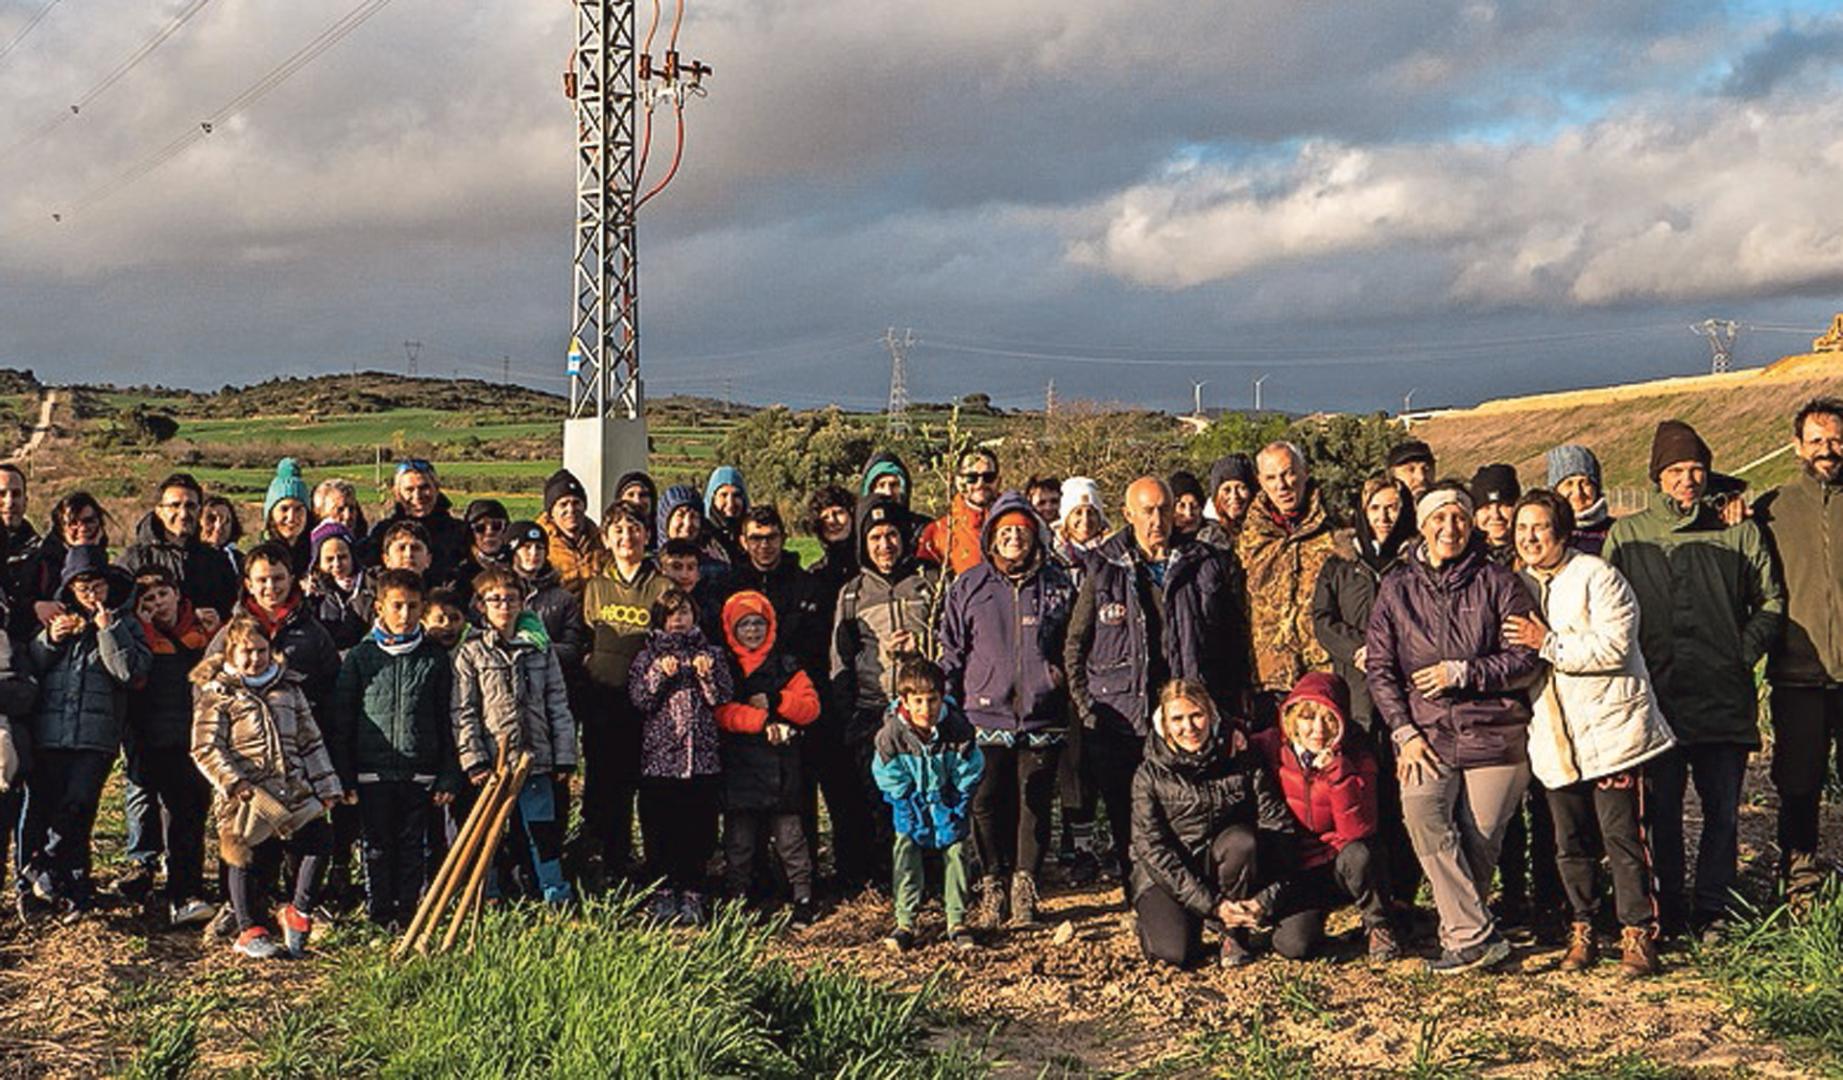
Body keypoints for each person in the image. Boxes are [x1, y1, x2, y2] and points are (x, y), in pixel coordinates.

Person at [1603, 420, 1782, 938]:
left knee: (1722, 810)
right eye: (1677, 470)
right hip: (1654, 697)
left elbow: (1770, 602)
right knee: (1661, 812)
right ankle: (1669, 907)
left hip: (1722, 693)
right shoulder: (1628, 534)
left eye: (1697, 469)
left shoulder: (1739, 530)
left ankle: (1715, 907)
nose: (1688, 479)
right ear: (1658, 476)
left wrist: (1740, 653)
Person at [1366, 483, 1541, 974]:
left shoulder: (1499, 583)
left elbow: (1526, 659)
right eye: (1438, 518)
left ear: (1472, 524)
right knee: (1423, 813)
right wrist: (1404, 731)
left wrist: (1463, 673)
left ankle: (1462, 939)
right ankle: (1476, 937)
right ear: (1421, 525)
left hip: (1496, 733)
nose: (1450, 528)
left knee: (1478, 839)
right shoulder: (1397, 588)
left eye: (1459, 518)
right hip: (1428, 734)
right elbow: (1380, 668)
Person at [1504, 490, 1673, 976]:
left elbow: (1615, 648)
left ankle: (1638, 932)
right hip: (1555, 737)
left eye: (1539, 527)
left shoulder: (1597, 577)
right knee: (1569, 841)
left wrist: (1548, 643)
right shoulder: (1516, 586)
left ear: (1561, 529)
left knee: (1623, 838)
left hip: (1612, 733)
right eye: (1522, 529)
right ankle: (1583, 927)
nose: (1530, 537)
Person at [1067, 477, 1246, 889]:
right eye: (1147, 511)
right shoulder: (1104, 566)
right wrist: (1086, 707)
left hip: (1188, 716)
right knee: (1127, 814)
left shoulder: (1205, 562)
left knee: (1191, 811)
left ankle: (1195, 894)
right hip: (1122, 718)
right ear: (1128, 514)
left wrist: (1230, 707)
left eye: (1164, 509)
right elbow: (1076, 643)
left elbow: (1230, 640)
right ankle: (1141, 895)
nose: (1157, 520)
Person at [940, 492, 1074, 929]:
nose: (1014, 537)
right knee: (985, 800)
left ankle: (1025, 888)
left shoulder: (1058, 585)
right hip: (983, 713)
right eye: (1005, 531)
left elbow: (1074, 645)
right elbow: (953, 649)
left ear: (1035, 535)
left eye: (1022, 529)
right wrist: (948, 703)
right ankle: (993, 882)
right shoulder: (970, 585)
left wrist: (1059, 683)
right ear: (991, 539)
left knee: (1034, 803)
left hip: (1043, 711)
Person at [190, 615, 343, 959]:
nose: (254, 658)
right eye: (246, 652)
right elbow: (205, 747)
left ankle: (298, 910)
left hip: (293, 787)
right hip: (247, 793)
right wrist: (234, 782)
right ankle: (248, 928)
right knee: (242, 855)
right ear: (231, 652)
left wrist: (326, 784)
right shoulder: (218, 694)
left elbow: (310, 741)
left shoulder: (288, 689)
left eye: (261, 651)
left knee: (318, 840)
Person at [18, 546, 150, 919]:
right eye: (81, 587)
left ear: (108, 586)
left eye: (96, 585)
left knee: (79, 806)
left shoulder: (125, 622)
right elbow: (32, 666)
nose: (90, 593)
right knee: (57, 809)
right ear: (70, 590)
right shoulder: (58, 621)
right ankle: (74, 890)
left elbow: (129, 672)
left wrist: (109, 631)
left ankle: (42, 864)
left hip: (97, 737)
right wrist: (50, 640)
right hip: (52, 732)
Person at [1130, 678, 1293, 969]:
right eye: (1177, 719)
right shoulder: (1148, 774)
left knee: (1244, 842)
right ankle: (1185, 918)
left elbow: (1277, 825)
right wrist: (1210, 905)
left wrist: (1268, 899)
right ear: (1164, 724)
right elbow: (1151, 848)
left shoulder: (1242, 756)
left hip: (1226, 865)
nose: (1189, 727)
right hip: (1170, 873)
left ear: (1212, 715)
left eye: (1197, 715)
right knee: (1174, 954)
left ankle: (1234, 931)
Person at [329, 568, 460, 927]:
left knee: (413, 846)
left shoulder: (434, 658)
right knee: (375, 846)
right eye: (397, 606)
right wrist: (345, 776)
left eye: (413, 607)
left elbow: (449, 719)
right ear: (379, 608)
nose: (405, 615)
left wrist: (449, 774)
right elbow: (342, 722)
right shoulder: (360, 657)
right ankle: (379, 914)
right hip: (371, 771)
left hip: (420, 770)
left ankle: (409, 914)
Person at [1310, 476, 1420, 899]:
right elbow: (1322, 620)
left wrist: (1387, 651)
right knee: (1362, 795)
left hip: (1403, 695)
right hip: (1354, 697)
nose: (1383, 517)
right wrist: (1360, 648)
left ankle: (1406, 894)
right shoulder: (1339, 563)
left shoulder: (1414, 562)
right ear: (1362, 510)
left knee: (1401, 798)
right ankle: (1369, 896)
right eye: (1375, 508)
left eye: (1392, 507)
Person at [1752, 398, 1843, 909]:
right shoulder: (1774, 508)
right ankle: (1801, 881)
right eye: (1817, 440)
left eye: (1835, 439)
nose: (1827, 450)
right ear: (1797, 447)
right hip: (1797, 675)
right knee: (1798, 782)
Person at [830, 495, 941, 893]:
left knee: (927, 797)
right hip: (874, 714)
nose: (885, 545)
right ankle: (890, 879)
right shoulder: (851, 594)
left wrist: (921, 648)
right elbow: (839, 661)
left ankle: (931, 878)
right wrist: (850, 716)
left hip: (924, 715)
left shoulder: (928, 583)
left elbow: (952, 645)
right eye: (875, 537)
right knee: (882, 803)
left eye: (891, 534)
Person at [452, 566, 578, 907]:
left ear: (523, 603)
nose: (504, 606)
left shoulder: (539, 649)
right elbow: (464, 711)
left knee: (543, 833)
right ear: (481, 605)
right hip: (492, 764)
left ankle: (555, 895)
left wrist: (565, 754)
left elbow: (557, 702)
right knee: (487, 834)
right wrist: (474, 758)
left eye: (511, 599)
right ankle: (486, 893)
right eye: (495, 600)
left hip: (534, 758)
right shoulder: (471, 652)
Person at [1253, 673, 1396, 961]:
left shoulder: (1358, 756)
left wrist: (1338, 774)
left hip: (1343, 861)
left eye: (1328, 719)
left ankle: (1378, 923)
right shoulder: (1269, 747)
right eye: (1308, 718)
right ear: (1292, 717)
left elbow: (1357, 829)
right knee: (1293, 946)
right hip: (1298, 868)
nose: (1318, 729)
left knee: (1361, 854)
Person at [714, 590, 820, 924]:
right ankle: (737, 895)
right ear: (732, 628)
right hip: (740, 764)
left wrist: (776, 701)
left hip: (781, 765)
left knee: (790, 836)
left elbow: (811, 708)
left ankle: (802, 894)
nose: (752, 631)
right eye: (744, 625)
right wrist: (761, 721)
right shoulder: (724, 667)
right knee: (739, 840)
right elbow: (720, 712)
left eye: (759, 623)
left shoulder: (787, 664)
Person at [579, 504, 671, 882]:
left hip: (649, 711)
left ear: (647, 535)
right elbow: (585, 641)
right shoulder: (595, 588)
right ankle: (610, 865)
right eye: (617, 530)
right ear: (606, 538)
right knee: (606, 791)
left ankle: (656, 868)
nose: (626, 537)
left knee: (650, 792)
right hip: (604, 707)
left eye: (633, 529)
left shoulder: (662, 587)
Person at [627, 588, 730, 923]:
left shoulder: (711, 653)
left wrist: (706, 676)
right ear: (660, 620)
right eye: (672, 614)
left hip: (701, 761)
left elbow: (723, 699)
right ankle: (662, 891)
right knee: (660, 829)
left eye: (685, 613)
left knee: (698, 829)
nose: (679, 620)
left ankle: (693, 892)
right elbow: (639, 700)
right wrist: (659, 675)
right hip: (661, 761)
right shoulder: (646, 656)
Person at [122, 567, 215, 926]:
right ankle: (165, 882)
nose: (158, 604)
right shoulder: (141, 637)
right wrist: (142, 628)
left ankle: (185, 888)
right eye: (148, 600)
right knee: (162, 809)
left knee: (191, 812)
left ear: (177, 594)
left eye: (162, 594)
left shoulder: (202, 633)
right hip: (153, 736)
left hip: (197, 736)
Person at [873, 657, 984, 952]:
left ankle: (957, 920)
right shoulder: (891, 736)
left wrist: (958, 804)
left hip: (947, 798)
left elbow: (969, 770)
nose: (926, 709)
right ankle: (905, 922)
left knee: (958, 850)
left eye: (932, 700)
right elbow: (888, 776)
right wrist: (908, 806)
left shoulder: (958, 729)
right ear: (905, 701)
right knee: (905, 849)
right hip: (912, 800)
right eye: (918, 701)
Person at [1240, 441, 1337, 724]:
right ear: (1260, 482)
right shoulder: (1248, 537)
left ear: (1305, 473)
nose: (1281, 485)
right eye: (1271, 478)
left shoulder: (1335, 530)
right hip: (1268, 678)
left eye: (1288, 473)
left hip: (1321, 671)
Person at [118, 472, 238, 624]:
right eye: (174, 505)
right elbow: (120, 611)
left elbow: (232, 611)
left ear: (199, 510)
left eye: (190, 506)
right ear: (159, 511)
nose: (183, 514)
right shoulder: (134, 559)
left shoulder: (216, 560)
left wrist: (217, 619)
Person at [504, 521, 591, 678]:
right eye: (526, 547)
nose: (534, 553)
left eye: (540, 547)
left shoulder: (564, 599)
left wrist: (540, 647)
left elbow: (573, 648)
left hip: (548, 680)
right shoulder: (494, 593)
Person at [367, 461, 471, 585]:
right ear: (397, 494)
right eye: (409, 490)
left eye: (424, 488)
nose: (417, 496)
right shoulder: (382, 532)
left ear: (436, 488)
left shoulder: (459, 531)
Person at [918, 448, 1000, 576]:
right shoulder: (938, 532)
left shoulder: (1016, 525)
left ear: (998, 480)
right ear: (958, 481)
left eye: (988, 477)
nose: (980, 483)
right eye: (971, 478)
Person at [538, 468, 609, 595]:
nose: (571, 509)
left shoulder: (600, 539)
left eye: (576, 503)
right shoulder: (540, 543)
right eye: (563, 504)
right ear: (551, 512)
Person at [304, 522, 369, 651]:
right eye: (329, 559)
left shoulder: (369, 587)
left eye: (342, 557)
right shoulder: (312, 595)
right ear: (318, 563)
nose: (337, 564)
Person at [1546, 444, 1612, 555]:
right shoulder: (1547, 532)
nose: (1578, 492)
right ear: (1555, 490)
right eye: (1569, 484)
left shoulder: (1616, 531)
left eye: (1585, 483)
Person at [452, 499, 513, 608]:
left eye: (497, 526)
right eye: (480, 528)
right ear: (470, 533)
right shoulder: (459, 571)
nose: (489, 532)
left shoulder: (517, 564)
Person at [657, 484, 733, 572]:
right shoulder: (650, 568)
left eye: (694, 516)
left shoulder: (717, 570)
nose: (688, 523)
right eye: (680, 515)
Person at [261, 458, 315, 576]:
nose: (291, 517)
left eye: (298, 509)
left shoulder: (317, 555)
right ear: (271, 514)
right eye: (284, 509)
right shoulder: (261, 558)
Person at [1051, 477, 1109, 573]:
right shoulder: (1052, 555)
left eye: (1090, 512)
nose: (1085, 520)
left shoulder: (1113, 554)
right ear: (1067, 519)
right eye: (1078, 513)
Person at [1197, 454, 1255, 551]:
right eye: (1227, 490)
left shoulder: (1268, 528)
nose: (1234, 496)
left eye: (1241, 488)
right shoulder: (1206, 539)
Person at [1470, 465, 1520, 568]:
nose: (1495, 515)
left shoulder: (1534, 555)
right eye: (1486, 507)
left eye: (1503, 505)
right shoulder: (1465, 561)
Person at [704, 466, 751, 566]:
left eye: (736, 495)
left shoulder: (752, 535)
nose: (730, 503)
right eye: (723, 495)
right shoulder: (701, 537)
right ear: (712, 498)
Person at [199, 495, 245, 583]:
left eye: (226, 521)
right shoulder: (187, 558)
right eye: (211, 519)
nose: (219, 526)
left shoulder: (241, 562)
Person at [615, 471, 658, 536]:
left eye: (643, 495)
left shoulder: (662, 532)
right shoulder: (610, 534)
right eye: (630, 495)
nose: (637, 501)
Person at [1168, 470, 1206, 543]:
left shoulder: (1218, 542)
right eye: (1182, 506)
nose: (1188, 513)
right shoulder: (1160, 545)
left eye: (1194, 506)